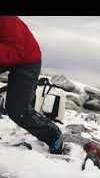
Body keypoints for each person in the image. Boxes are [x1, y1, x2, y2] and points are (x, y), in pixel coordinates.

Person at [0, 16, 66, 154]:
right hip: (5, 55)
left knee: (18, 111)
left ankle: (53, 135)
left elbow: (17, 51)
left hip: (27, 59)